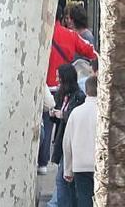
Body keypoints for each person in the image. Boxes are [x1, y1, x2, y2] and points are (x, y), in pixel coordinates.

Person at [51, 63, 86, 207]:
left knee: (63, 180)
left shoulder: (78, 97)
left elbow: (74, 117)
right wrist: (53, 114)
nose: (56, 79)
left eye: (59, 76)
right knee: (65, 180)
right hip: (62, 141)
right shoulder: (62, 95)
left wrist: (62, 115)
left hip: (71, 143)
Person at [63, 75, 97, 207]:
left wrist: (67, 169)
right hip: (102, 164)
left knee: (84, 200)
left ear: (86, 91)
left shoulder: (76, 113)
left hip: (80, 165)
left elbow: (67, 143)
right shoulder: (107, 113)